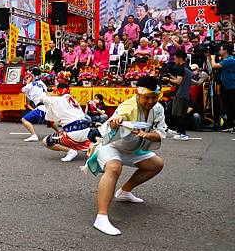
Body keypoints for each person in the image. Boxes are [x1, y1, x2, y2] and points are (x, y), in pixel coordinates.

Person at [85, 76, 166, 236]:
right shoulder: (128, 106)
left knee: (157, 164)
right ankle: (101, 217)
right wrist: (115, 122)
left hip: (133, 148)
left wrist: (147, 135)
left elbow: (160, 133)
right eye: (147, 98)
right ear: (138, 94)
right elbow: (117, 118)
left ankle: (124, 191)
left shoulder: (158, 109)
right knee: (114, 167)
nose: (150, 101)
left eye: (154, 97)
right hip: (112, 146)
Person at [39, 83, 91, 162]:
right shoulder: (74, 101)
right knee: (67, 133)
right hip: (87, 133)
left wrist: (49, 95)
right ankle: (87, 146)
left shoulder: (58, 99)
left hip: (73, 135)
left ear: (58, 90)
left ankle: (71, 151)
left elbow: (41, 99)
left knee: (46, 141)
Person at [165, 49, 192, 140]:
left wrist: (168, 79)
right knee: (181, 114)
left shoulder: (180, 68)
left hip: (180, 93)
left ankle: (182, 133)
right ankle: (180, 132)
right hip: (186, 93)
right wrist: (170, 76)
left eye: (175, 59)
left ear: (180, 58)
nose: (174, 60)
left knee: (177, 114)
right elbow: (181, 79)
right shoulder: (187, 67)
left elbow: (178, 82)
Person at [209, 43, 235, 132]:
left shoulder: (230, 60)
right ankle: (229, 125)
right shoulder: (225, 59)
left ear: (225, 51)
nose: (219, 51)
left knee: (231, 106)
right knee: (227, 106)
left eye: (221, 49)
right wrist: (209, 56)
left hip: (232, 86)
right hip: (226, 86)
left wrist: (212, 58)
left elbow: (214, 65)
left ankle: (232, 125)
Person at [21, 70, 47, 142]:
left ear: (33, 76)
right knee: (49, 121)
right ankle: (59, 132)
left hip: (41, 107)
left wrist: (27, 83)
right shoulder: (43, 84)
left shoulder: (32, 84)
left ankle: (33, 135)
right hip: (47, 107)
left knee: (24, 119)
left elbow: (23, 90)